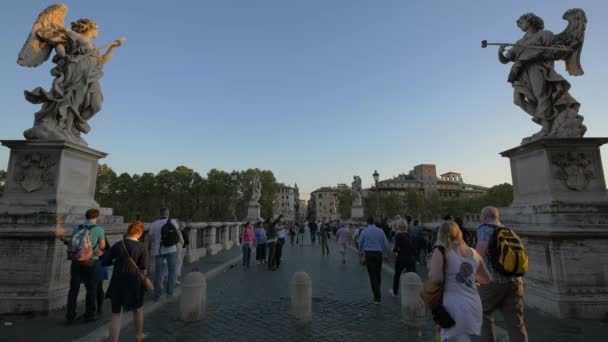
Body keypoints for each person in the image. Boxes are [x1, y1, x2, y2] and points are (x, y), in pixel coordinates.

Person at [428, 221, 492, 342]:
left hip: (453, 306)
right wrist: (470, 278)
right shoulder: (474, 252)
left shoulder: (441, 251)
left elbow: (436, 278)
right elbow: (487, 278)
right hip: (474, 305)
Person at [475, 206, 529, 342]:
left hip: (494, 281)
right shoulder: (510, 231)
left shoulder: (484, 228)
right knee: (516, 323)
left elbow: (478, 254)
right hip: (516, 282)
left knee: (482, 313)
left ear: (485, 218)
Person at [103, 221, 148, 342]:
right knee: (138, 309)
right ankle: (138, 335)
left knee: (116, 314)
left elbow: (106, 261)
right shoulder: (142, 247)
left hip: (118, 281)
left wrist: (117, 261)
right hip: (134, 281)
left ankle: (115, 340)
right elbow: (143, 266)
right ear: (139, 232)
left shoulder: (119, 244)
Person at [65, 208, 106, 324]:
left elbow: (73, 243)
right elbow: (102, 246)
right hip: (91, 262)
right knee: (91, 289)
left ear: (86, 216)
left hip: (76, 262)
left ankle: (70, 315)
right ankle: (89, 315)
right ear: (96, 217)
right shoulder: (99, 229)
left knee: (73, 289)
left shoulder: (77, 228)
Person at [150, 207, 183, 301]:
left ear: (160, 214)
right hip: (171, 249)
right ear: (167, 213)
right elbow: (178, 234)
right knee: (172, 271)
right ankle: (170, 293)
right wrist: (181, 242)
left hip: (158, 250)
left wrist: (157, 241)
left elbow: (151, 238)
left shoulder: (154, 224)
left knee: (158, 273)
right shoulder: (172, 222)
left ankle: (157, 295)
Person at [358, 216, 390, 303]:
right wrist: (386, 254)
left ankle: (377, 296)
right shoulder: (380, 231)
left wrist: (360, 252)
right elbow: (386, 244)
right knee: (378, 274)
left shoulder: (364, 231)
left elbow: (360, 242)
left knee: (372, 275)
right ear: (374, 222)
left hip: (369, 254)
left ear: (367, 222)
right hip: (378, 254)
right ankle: (377, 291)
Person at [390, 217, 416, 297]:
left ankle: (395, 292)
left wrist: (393, 250)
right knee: (410, 276)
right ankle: (411, 292)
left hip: (401, 258)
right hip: (410, 258)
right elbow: (412, 247)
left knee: (397, 275)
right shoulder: (409, 235)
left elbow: (396, 248)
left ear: (398, 226)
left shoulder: (398, 235)